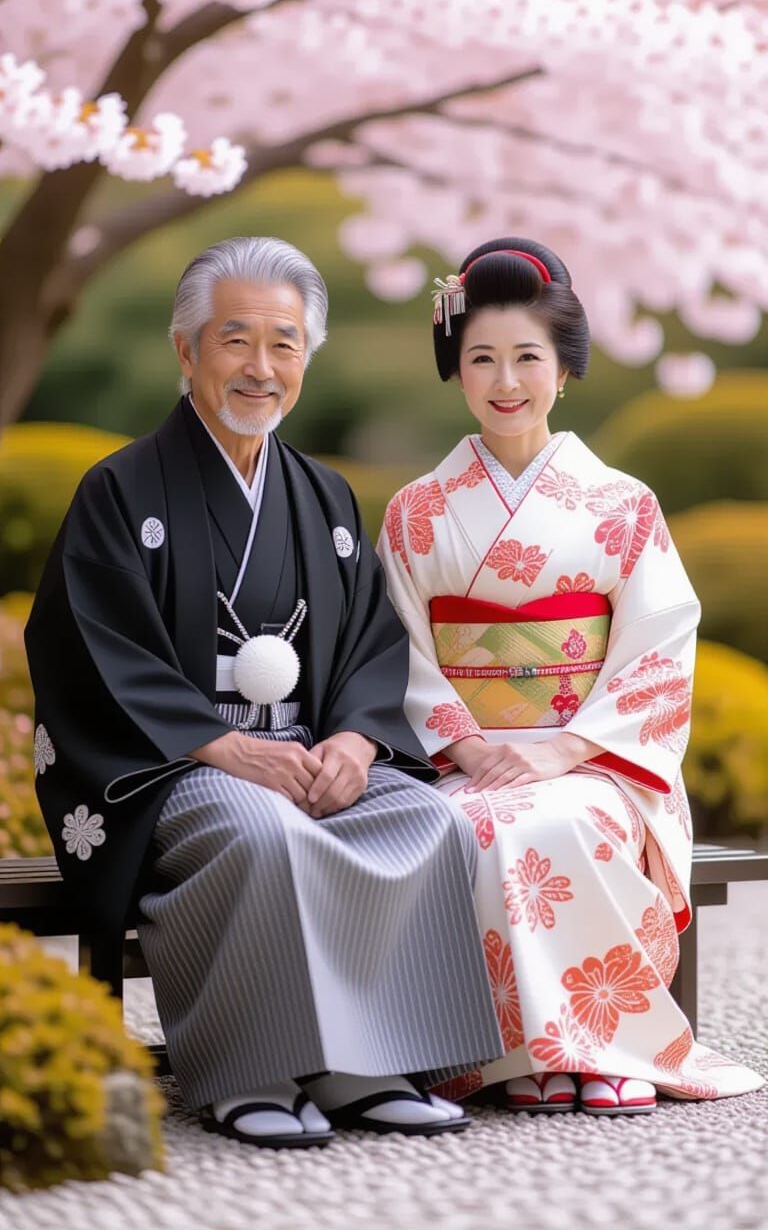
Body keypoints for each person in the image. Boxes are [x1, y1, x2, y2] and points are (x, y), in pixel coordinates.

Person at [25, 236, 503, 1150]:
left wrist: (356, 745)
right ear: (186, 350)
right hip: (173, 769)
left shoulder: (321, 497)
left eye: (284, 343)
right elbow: (93, 646)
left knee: (428, 820)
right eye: (234, 339)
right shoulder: (121, 490)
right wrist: (220, 747)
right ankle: (251, 1073)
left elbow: (371, 642)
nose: (260, 366)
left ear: (307, 357)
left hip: (304, 753)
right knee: (264, 828)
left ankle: (368, 1064)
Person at [377, 237, 764, 1115]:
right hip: (464, 762)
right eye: (481, 358)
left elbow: (662, 638)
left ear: (564, 372)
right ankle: (514, 1056)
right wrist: (469, 748)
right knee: (467, 829)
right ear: (457, 371)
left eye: (527, 358)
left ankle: (604, 1042)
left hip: (593, 757)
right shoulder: (416, 511)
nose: (504, 380)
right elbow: (394, 648)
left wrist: (565, 749)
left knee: (561, 822)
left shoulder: (623, 503)